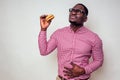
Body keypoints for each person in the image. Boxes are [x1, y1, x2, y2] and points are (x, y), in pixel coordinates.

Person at [38, 3, 104, 80]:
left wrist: (83, 70)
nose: (73, 12)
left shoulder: (94, 38)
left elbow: (99, 61)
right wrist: (43, 29)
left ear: (85, 18)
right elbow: (44, 51)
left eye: (78, 11)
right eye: (72, 10)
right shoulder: (58, 33)